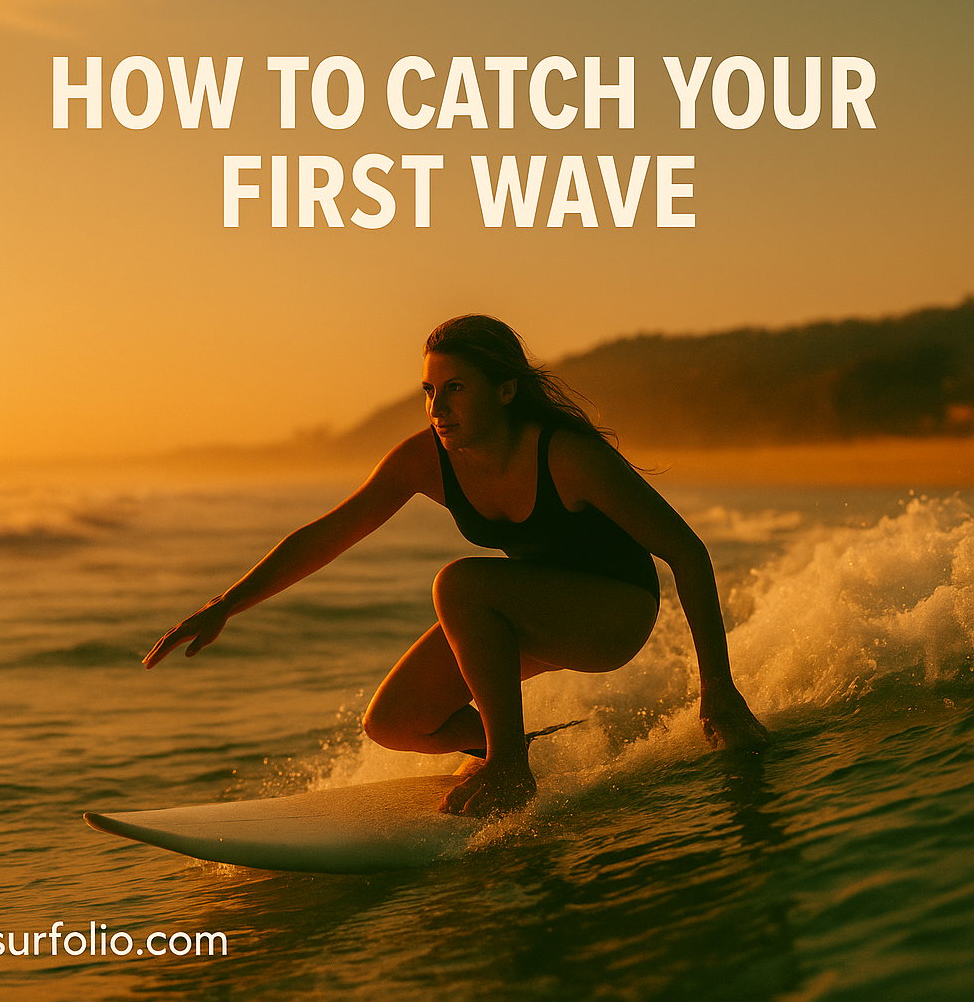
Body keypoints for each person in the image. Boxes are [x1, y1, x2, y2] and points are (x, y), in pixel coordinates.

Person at [143, 315, 769, 817]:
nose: (438, 407)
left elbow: (687, 551)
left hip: (613, 613)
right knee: (394, 722)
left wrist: (716, 686)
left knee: (459, 583)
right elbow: (332, 532)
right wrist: (228, 602)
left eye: (456, 388)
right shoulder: (426, 459)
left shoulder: (567, 456)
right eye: (429, 392)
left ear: (505, 390)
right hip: (528, 610)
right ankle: (512, 748)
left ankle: (506, 767)